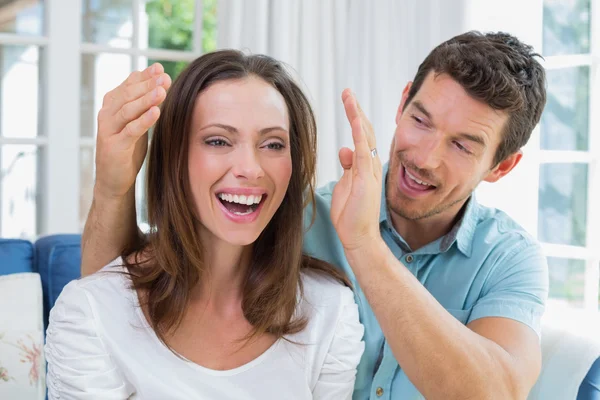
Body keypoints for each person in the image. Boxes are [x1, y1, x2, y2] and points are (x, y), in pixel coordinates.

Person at [79, 31, 549, 399]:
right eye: (420, 120)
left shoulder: (509, 258)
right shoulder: (288, 214)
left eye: (463, 145)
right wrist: (113, 183)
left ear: (502, 165)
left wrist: (364, 245)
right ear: (403, 101)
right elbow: (117, 299)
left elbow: (496, 392)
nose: (425, 156)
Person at [44, 50, 366, 400]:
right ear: (174, 158)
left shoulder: (329, 312)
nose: (251, 168)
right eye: (218, 140)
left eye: (273, 144)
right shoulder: (90, 313)